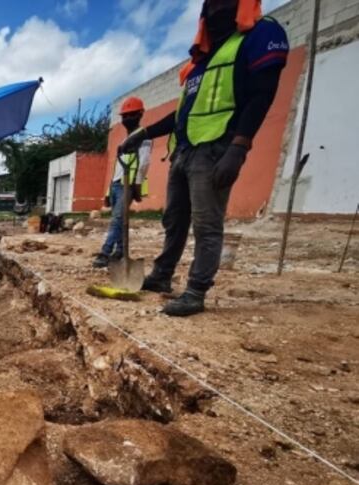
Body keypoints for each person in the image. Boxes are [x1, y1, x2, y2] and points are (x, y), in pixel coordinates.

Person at [120, 0, 287, 316]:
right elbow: (181, 114)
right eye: (211, 4)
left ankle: (196, 291)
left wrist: (239, 147)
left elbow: (261, 96)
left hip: (215, 148)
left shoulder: (259, 36)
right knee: (174, 219)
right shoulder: (200, 61)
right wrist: (142, 134)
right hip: (183, 151)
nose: (216, 10)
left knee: (206, 223)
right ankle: (162, 275)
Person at [93, 96, 152, 268]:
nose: (127, 119)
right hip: (116, 184)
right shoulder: (124, 141)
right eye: (124, 116)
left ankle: (105, 252)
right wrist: (108, 192)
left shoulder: (144, 138)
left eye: (131, 115)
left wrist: (137, 185)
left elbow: (144, 163)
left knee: (117, 219)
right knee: (119, 220)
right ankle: (120, 251)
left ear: (140, 114)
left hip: (129, 184)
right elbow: (116, 169)